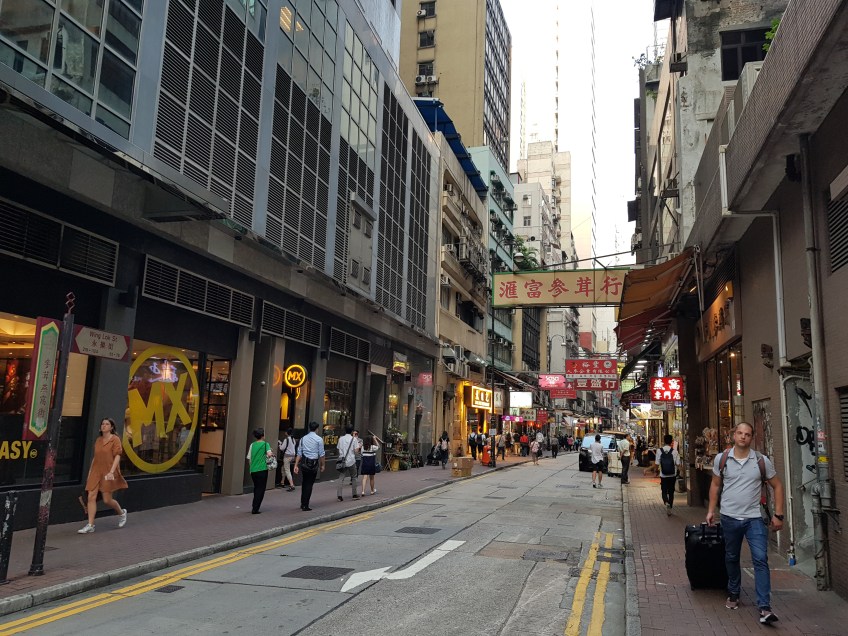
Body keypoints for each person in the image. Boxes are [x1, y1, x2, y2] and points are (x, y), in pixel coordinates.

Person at [707, 422, 784, 625]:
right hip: (729, 517)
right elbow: (715, 484)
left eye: (747, 434)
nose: (743, 437)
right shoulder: (722, 459)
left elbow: (777, 486)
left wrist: (779, 514)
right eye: (740, 433)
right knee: (732, 556)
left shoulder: (761, 461)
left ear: (751, 438)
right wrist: (711, 511)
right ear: (733, 435)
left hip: (754, 519)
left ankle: (764, 607)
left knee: (760, 559)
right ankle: (734, 592)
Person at [78, 418, 128, 533]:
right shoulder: (98, 440)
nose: (104, 426)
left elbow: (117, 456)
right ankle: (90, 525)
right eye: (102, 424)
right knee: (91, 496)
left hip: (108, 471)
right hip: (96, 471)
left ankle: (122, 513)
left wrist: (111, 471)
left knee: (107, 500)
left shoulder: (115, 439)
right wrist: (90, 472)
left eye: (107, 424)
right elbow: (95, 457)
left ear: (111, 427)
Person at [294, 421, 325, 511]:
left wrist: (296, 465)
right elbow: (322, 454)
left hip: (304, 463)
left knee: (304, 482)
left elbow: (299, 453)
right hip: (313, 464)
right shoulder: (319, 439)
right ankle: (305, 505)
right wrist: (323, 465)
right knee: (309, 484)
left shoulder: (303, 439)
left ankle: (302, 503)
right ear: (317, 429)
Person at [246, 428, 273, 514]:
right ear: (262, 435)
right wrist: (271, 451)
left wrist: (251, 468)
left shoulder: (252, 445)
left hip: (253, 470)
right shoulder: (265, 444)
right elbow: (269, 455)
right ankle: (255, 508)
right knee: (261, 489)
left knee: (256, 488)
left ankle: (254, 506)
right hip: (262, 469)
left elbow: (249, 458)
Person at [656, 434, 680, 514]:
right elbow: (678, 463)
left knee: (664, 491)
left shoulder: (659, 451)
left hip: (663, 475)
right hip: (672, 475)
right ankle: (670, 508)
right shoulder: (675, 452)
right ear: (671, 441)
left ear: (664, 441)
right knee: (671, 492)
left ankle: (666, 502)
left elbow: (657, 463)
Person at [335, 426, 359, 501]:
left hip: (342, 461)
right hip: (351, 460)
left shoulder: (341, 439)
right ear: (352, 431)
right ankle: (354, 495)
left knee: (341, 478)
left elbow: (338, 449)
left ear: (345, 430)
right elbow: (356, 451)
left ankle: (339, 496)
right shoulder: (354, 439)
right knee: (354, 477)